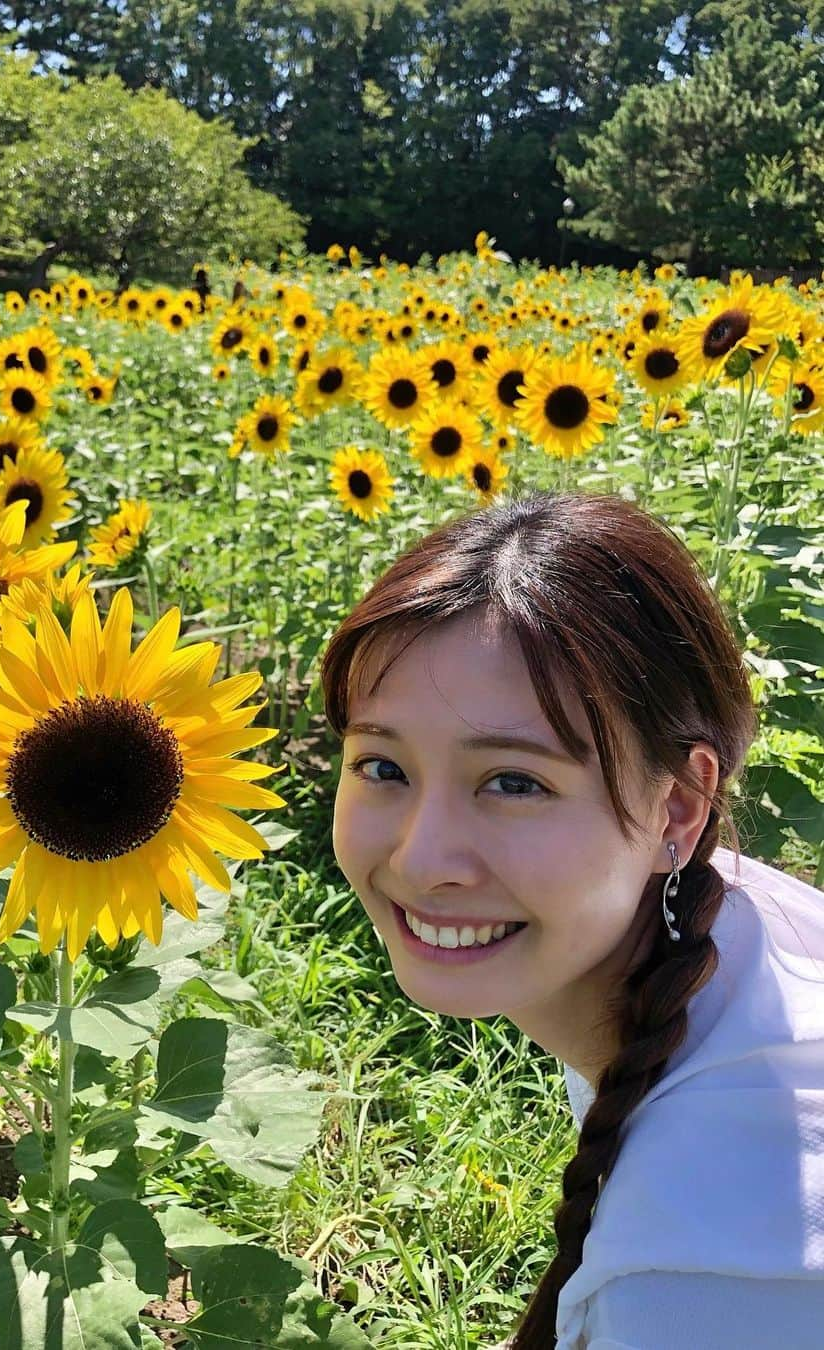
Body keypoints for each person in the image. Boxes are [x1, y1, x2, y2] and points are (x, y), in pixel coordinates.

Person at [321, 491, 824, 1349]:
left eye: (515, 782)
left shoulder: (702, 1282)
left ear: (678, 807)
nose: (419, 858)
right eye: (381, 765)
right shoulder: (743, 919)